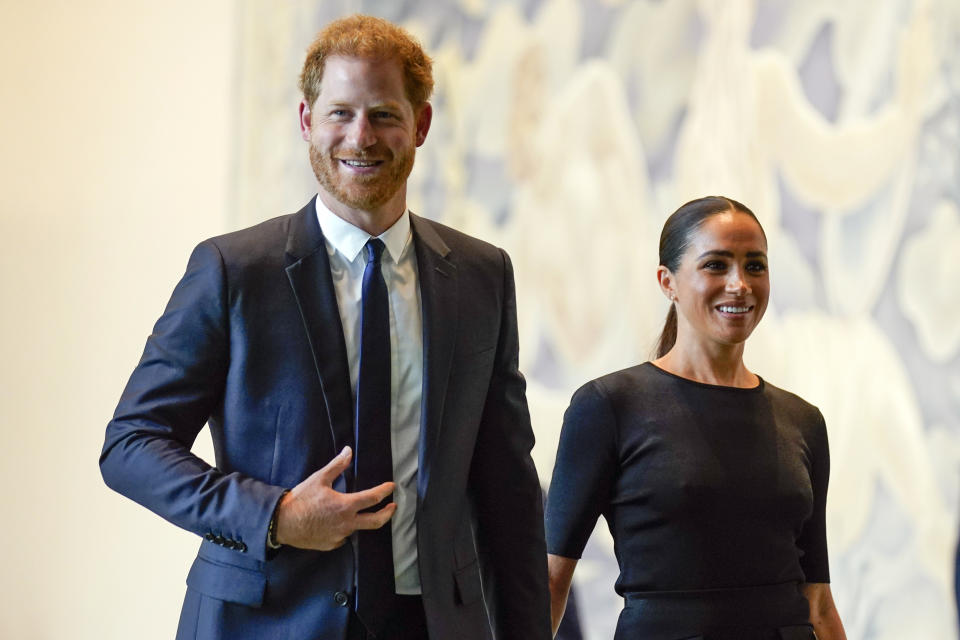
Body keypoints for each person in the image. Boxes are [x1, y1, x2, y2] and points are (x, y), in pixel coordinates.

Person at [100, 14, 550, 640]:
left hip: (432, 624)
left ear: (420, 125)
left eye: (385, 115)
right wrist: (276, 515)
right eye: (340, 113)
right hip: (263, 621)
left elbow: (509, 488)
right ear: (306, 120)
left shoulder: (481, 276)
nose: (360, 137)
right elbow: (131, 445)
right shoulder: (234, 270)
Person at [544, 196, 846, 640]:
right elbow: (551, 581)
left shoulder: (803, 421)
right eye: (716, 265)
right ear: (668, 282)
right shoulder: (608, 406)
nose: (739, 284)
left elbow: (817, 599)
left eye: (755, 266)